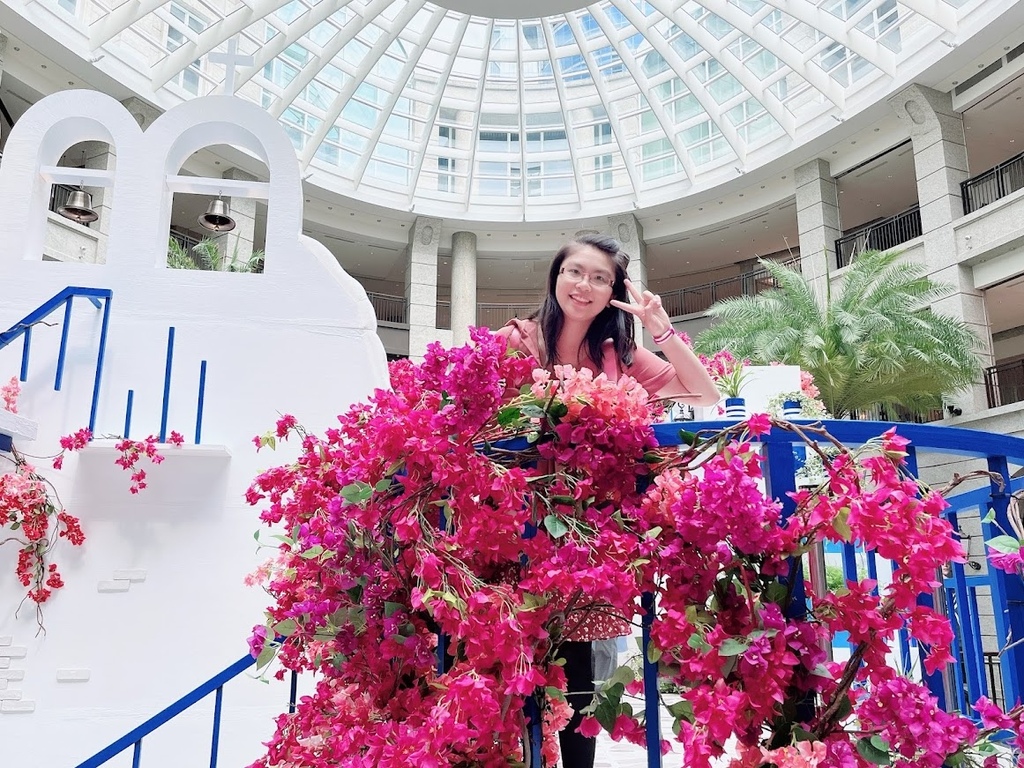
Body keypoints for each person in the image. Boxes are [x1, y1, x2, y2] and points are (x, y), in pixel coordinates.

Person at [494, 233, 720, 768]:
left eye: (600, 278)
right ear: (556, 276)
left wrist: (661, 328)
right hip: (516, 525)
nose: (584, 285)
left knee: (578, 676)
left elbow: (704, 393)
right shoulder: (517, 340)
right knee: (508, 662)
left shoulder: (617, 353)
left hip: (587, 535)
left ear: (613, 292)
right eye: (575, 272)